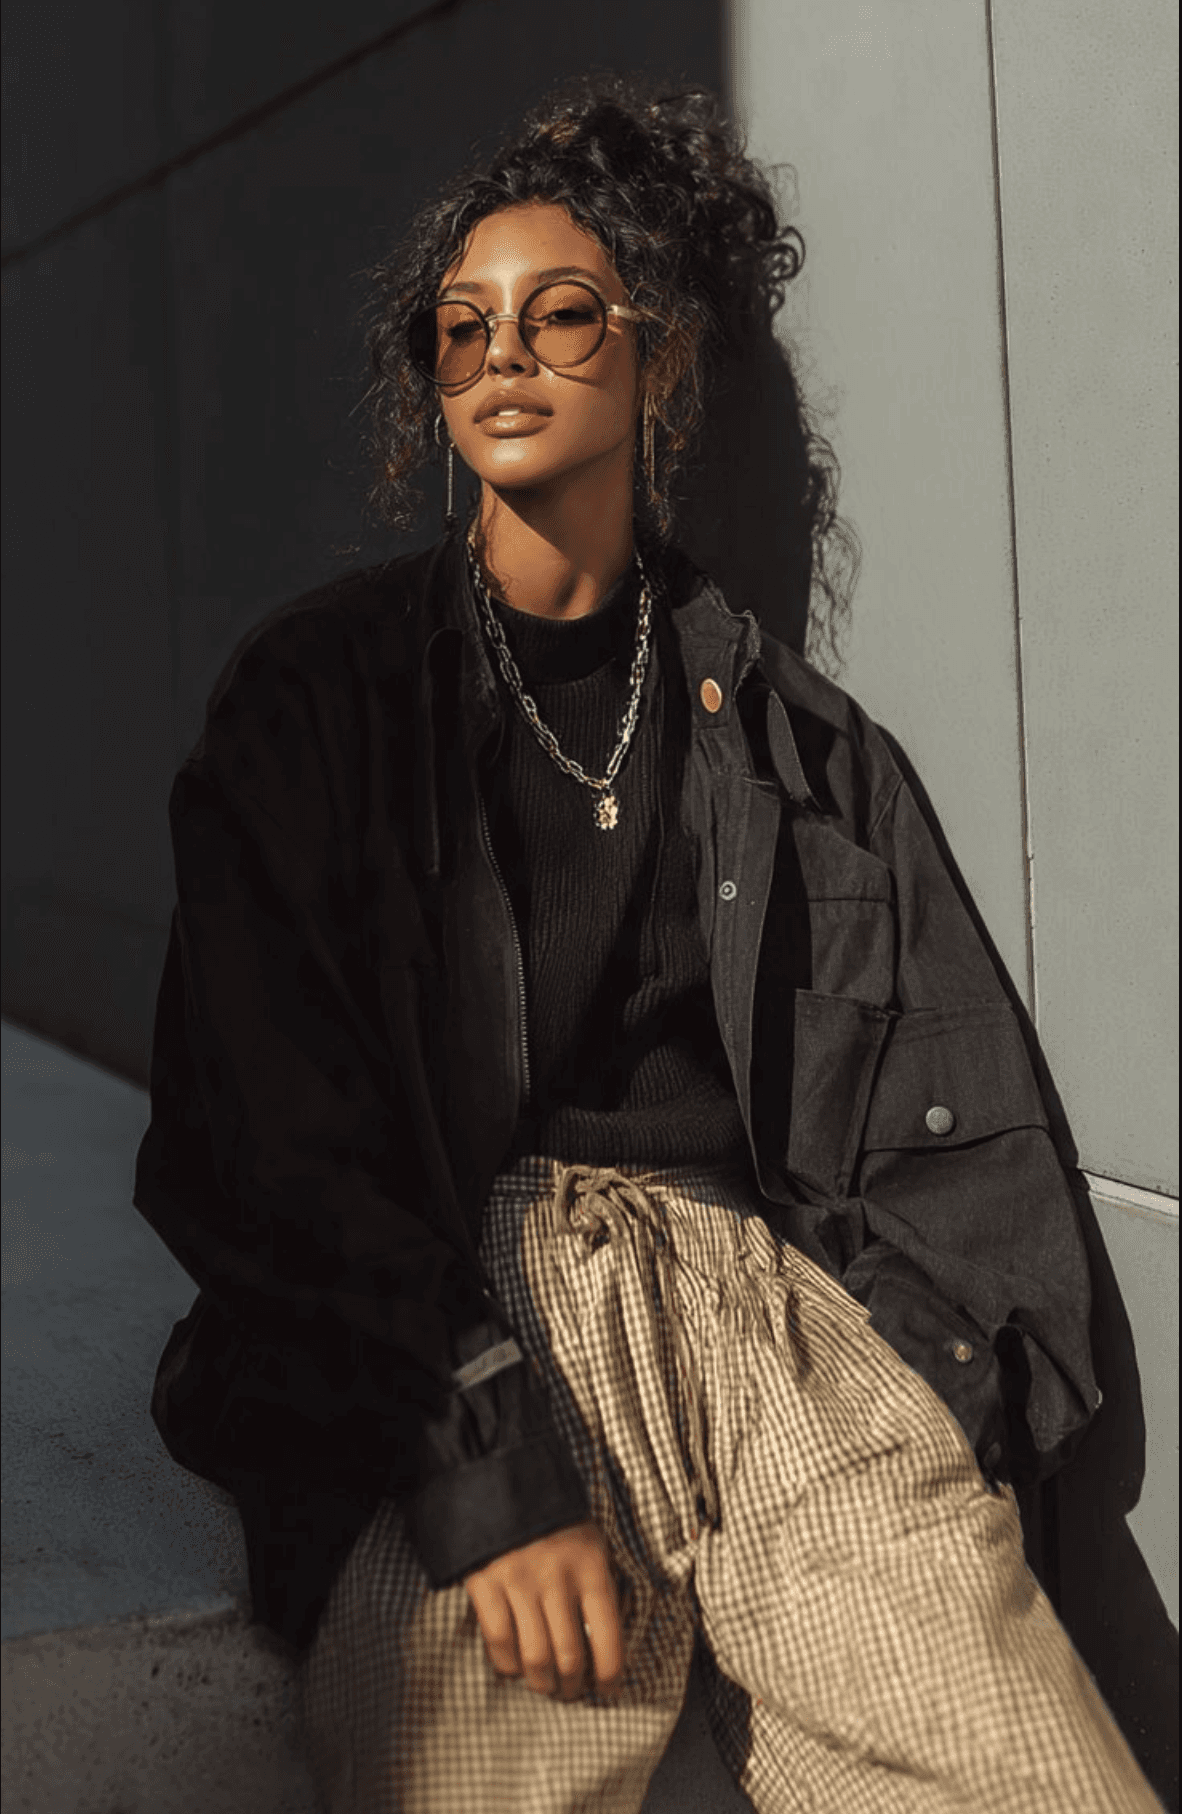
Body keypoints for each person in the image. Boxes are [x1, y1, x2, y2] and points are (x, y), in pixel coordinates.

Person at [133, 75, 1163, 1814]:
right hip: (474, 1309)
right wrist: (470, 1441)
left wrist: (915, 1405)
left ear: (657, 362)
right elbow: (253, 1132)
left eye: (557, 314)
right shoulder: (318, 701)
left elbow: (962, 1131)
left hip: (781, 1336)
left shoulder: (800, 741)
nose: (501, 355)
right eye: (458, 331)